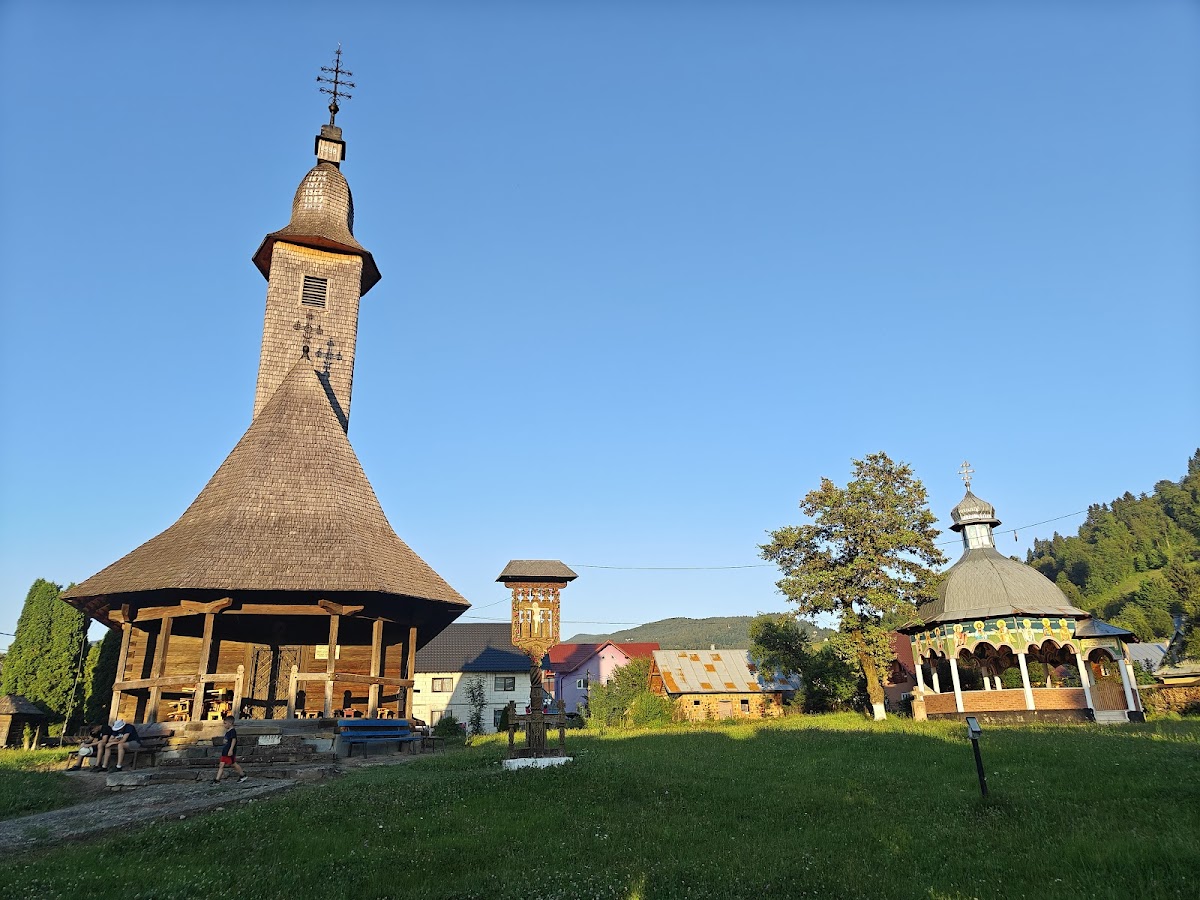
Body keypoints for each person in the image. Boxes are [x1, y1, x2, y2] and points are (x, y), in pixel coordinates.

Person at [213, 714, 248, 784]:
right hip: (225, 750)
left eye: (225, 723)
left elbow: (233, 740)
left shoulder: (232, 731)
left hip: (228, 751)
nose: (224, 725)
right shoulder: (228, 732)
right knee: (228, 764)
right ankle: (217, 779)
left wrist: (231, 749)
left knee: (230, 764)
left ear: (230, 723)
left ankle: (217, 780)